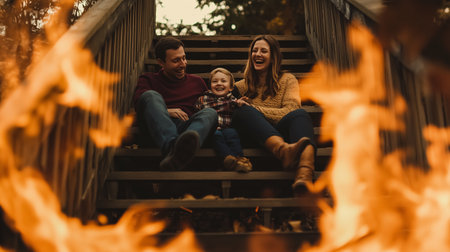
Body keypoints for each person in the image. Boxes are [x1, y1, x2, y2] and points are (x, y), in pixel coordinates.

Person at [232, 35, 316, 192]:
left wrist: (254, 109)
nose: (258, 54)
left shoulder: (288, 80)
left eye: (264, 51)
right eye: (254, 51)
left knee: (300, 114)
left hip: (283, 131)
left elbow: (291, 109)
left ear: (273, 57)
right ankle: (284, 151)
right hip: (255, 138)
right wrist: (245, 109)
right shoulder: (240, 87)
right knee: (240, 110)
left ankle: (304, 174)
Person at [133, 37, 218, 171]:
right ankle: (173, 148)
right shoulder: (148, 79)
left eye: (184, 58)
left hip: (188, 130)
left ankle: (179, 148)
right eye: (176, 60)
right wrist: (166, 111)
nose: (183, 64)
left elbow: (211, 105)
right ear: (161, 62)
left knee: (211, 113)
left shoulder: (197, 82)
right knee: (150, 95)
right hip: (158, 130)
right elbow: (139, 105)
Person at [195, 67, 252, 173]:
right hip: (211, 130)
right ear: (210, 86)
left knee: (233, 134)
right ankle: (227, 158)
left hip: (227, 128)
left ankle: (240, 160)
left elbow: (238, 105)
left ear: (230, 88)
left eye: (223, 81)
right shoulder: (203, 99)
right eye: (215, 81)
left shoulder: (231, 99)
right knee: (217, 136)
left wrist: (240, 103)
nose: (219, 83)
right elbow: (197, 113)